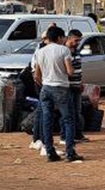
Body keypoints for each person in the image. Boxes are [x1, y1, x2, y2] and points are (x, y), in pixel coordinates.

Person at [32, 26, 81, 163]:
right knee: (68, 119)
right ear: (60, 37)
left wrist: (45, 83)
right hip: (61, 88)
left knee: (47, 120)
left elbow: (36, 75)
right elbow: (70, 71)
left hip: (46, 88)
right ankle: (70, 152)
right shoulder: (64, 50)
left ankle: (50, 151)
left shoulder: (40, 52)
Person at [65, 29, 87, 144]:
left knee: (77, 112)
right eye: (76, 40)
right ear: (69, 38)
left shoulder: (77, 51)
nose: (77, 42)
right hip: (68, 86)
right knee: (68, 113)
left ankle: (78, 134)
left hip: (77, 85)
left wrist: (81, 82)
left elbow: (79, 69)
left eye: (79, 40)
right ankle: (67, 136)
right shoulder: (64, 51)